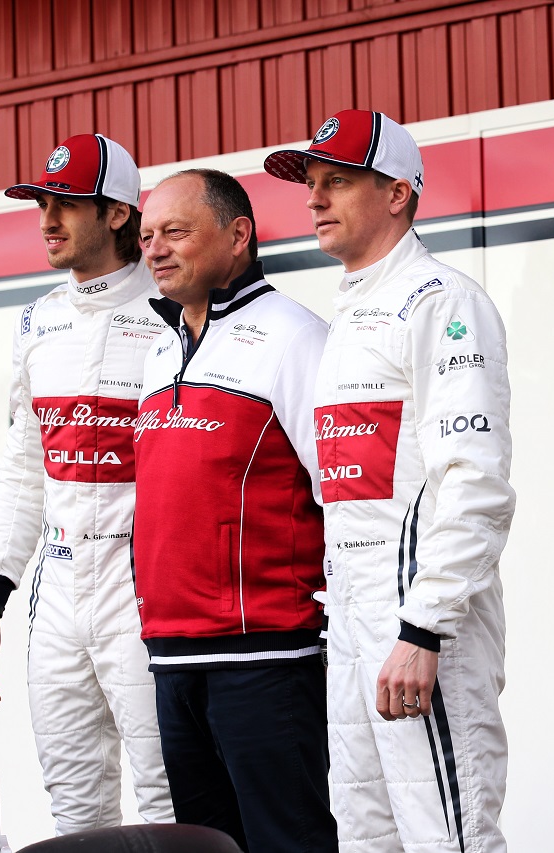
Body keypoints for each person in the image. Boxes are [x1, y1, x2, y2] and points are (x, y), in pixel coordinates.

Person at [264, 110, 516, 853]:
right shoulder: (349, 313)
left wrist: (423, 625)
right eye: (311, 184)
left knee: (448, 834)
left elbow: (475, 482)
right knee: (366, 833)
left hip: (418, 620)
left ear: (399, 193)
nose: (314, 200)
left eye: (336, 182)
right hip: (349, 615)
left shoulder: (441, 300)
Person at [0, 133, 174, 835]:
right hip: (56, 597)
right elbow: (24, 471)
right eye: (41, 204)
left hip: (144, 595)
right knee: (77, 813)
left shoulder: (174, 314)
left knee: (169, 803)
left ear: (118, 214)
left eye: (67, 205)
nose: (48, 220)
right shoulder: (38, 320)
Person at [131, 168, 338, 853]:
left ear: (238, 234)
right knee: (206, 847)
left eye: (176, 232)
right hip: (172, 658)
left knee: (288, 842)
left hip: (267, 659)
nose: (155, 249)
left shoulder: (295, 335)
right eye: (147, 235)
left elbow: (343, 492)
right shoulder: (160, 350)